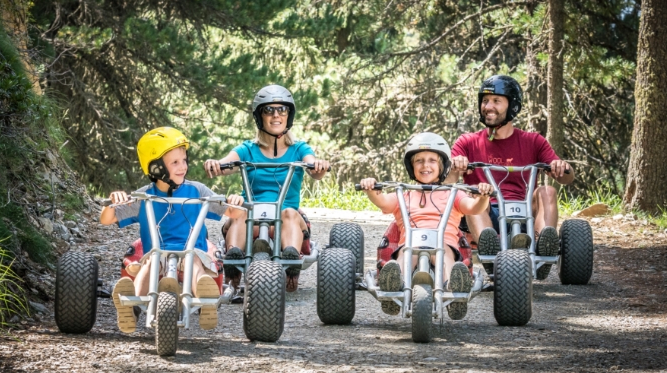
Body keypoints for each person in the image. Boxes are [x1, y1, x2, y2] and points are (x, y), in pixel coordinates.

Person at [101, 127, 245, 333]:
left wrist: (235, 201)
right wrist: (112, 203)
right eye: (175, 162)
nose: (183, 167)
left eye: (184, 160)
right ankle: (131, 308)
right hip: (157, 253)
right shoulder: (144, 196)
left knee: (193, 262)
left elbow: (233, 213)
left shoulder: (197, 191)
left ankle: (206, 302)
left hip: (192, 252)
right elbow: (107, 219)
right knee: (150, 264)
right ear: (156, 167)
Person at [204, 85, 329, 292]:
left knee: (288, 212)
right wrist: (216, 164)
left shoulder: (300, 149)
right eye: (269, 110)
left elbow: (313, 168)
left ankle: (291, 265)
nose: (276, 115)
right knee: (241, 212)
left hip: (286, 219)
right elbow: (226, 164)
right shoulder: (247, 150)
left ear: (289, 115)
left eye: (282, 110)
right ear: (259, 116)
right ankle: (233, 262)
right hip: (252, 218)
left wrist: (319, 166)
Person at [447, 75, 574, 278]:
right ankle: (490, 250)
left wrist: (560, 167)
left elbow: (566, 178)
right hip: (487, 212)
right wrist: (456, 166)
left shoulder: (533, 141)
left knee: (547, 190)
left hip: (526, 212)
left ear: (512, 105)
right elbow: (448, 183)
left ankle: (543, 246)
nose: (488, 106)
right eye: (485, 100)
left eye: (496, 101)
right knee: (470, 193)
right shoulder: (467, 141)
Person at [359, 132, 493, 320]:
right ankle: (393, 285)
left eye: (432, 160)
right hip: (410, 245)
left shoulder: (453, 193)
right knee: (407, 255)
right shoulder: (404, 194)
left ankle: (454, 290)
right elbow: (383, 202)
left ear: (442, 165)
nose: (425, 165)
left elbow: (473, 208)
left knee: (444, 254)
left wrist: (483, 197)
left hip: (444, 245)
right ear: (411, 166)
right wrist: (371, 189)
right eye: (419, 161)